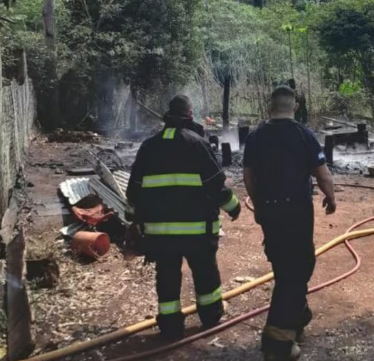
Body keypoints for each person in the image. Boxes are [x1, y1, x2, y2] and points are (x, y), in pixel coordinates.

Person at [126, 94, 241, 340]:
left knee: (167, 277)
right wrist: (233, 207)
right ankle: (210, 316)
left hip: (160, 234)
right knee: (204, 273)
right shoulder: (196, 144)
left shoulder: (149, 146)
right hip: (197, 231)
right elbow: (216, 186)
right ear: (189, 115)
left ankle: (169, 326)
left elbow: (134, 189)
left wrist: (132, 217)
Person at [243, 86, 336, 361]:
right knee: (297, 268)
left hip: (270, 212)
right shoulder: (304, 134)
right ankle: (278, 341)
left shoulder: (256, 136)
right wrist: (330, 198)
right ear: (294, 106)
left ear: (270, 107)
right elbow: (322, 173)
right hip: (296, 211)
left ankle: (298, 316)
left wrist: (258, 204)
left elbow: (248, 177)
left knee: (285, 265)